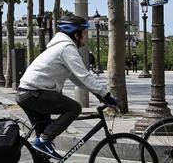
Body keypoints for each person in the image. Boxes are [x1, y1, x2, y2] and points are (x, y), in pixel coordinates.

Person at [16, 16, 117, 160]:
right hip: (34, 93)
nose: (86, 37)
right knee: (74, 108)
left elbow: (76, 78)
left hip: (28, 94)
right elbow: (84, 75)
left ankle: (43, 144)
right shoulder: (66, 48)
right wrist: (106, 95)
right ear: (76, 34)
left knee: (42, 150)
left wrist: (98, 94)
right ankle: (44, 140)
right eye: (85, 33)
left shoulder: (61, 47)